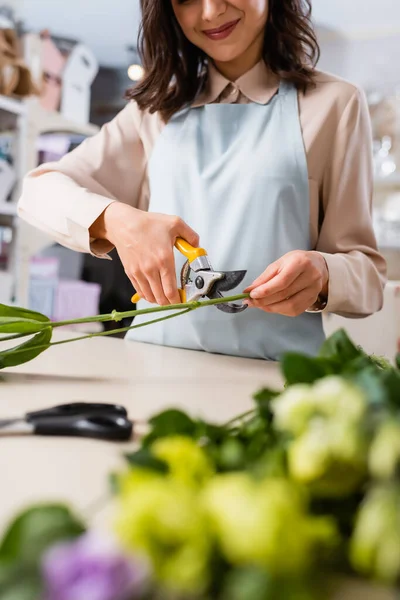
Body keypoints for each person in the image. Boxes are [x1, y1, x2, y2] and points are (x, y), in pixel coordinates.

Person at [18, 0, 387, 360]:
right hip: (151, 370)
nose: (211, 12)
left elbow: (369, 279)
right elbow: (36, 191)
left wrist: (324, 275)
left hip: (275, 382)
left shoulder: (335, 104)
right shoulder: (155, 110)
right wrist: (117, 221)